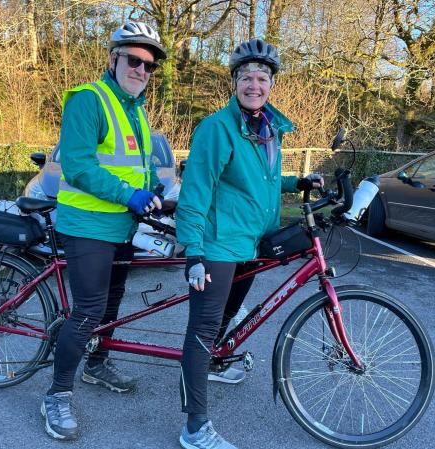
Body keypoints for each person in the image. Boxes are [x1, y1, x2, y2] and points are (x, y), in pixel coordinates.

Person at [174, 38, 325, 449]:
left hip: (251, 244)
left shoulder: (269, 128)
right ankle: (194, 428)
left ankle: (210, 365)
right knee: (203, 329)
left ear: (271, 85)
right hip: (217, 244)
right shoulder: (216, 128)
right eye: (246, 78)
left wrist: (299, 183)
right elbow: (196, 191)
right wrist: (193, 251)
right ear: (234, 83)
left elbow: (261, 183)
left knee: (222, 321)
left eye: (262, 78)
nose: (254, 85)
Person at [40, 21, 167, 441]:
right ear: (113, 58)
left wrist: (151, 191)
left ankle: (96, 365)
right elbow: (77, 166)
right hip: (87, 224)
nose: (142, 70)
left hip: (121, 226)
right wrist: (128, 194)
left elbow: (132, 166)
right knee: (89, 309)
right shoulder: (88, 99)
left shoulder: (136, 109)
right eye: (134, 60)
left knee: (112, 304)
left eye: (149, 66)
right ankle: (56, 396)